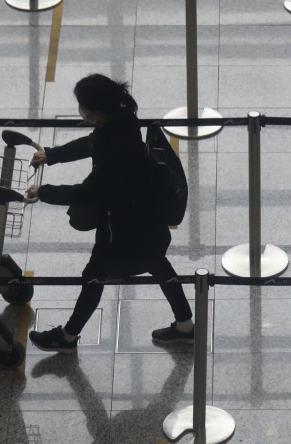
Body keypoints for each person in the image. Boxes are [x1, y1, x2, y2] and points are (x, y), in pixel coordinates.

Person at [26, 74, 194, 353]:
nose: (80, 110)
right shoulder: (121, 123)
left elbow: (88, 191)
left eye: (82, 105)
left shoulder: (118, 147)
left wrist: (43, 192)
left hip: (121, 228)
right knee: (157, 263)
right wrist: (53, 154)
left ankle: (67, 338)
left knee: (94, 275)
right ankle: (185, 327)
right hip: (145, 219)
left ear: (96, 109)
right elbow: (90, 143)